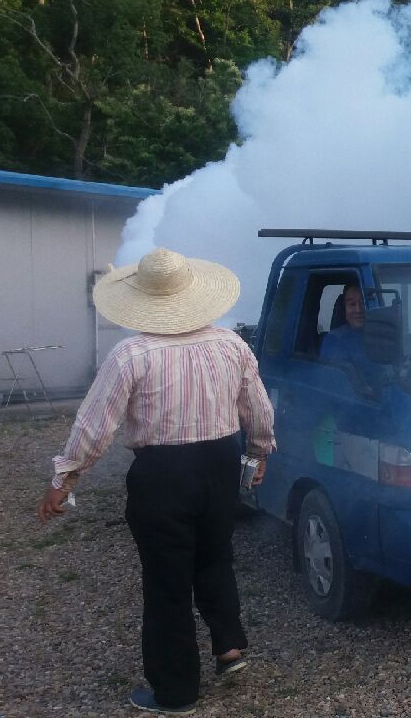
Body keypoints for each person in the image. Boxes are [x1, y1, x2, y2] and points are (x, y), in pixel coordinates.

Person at [36, 247, 276, 715]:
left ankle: (177, 693)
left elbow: (95, 425)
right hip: (221, 465)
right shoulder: (231, 344)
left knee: (167, 583)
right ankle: (229, 649)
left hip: (163, 474)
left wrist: (65, 477)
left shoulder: (131, 354)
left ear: (143, 300)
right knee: (214, 557)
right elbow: (259, 410)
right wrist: (259, 453)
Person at [319, 282, 368, 364]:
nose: (358, 310)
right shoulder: (333, 340)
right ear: (344, 309)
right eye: (352, 304)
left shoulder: (379, 333)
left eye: (363, 303)